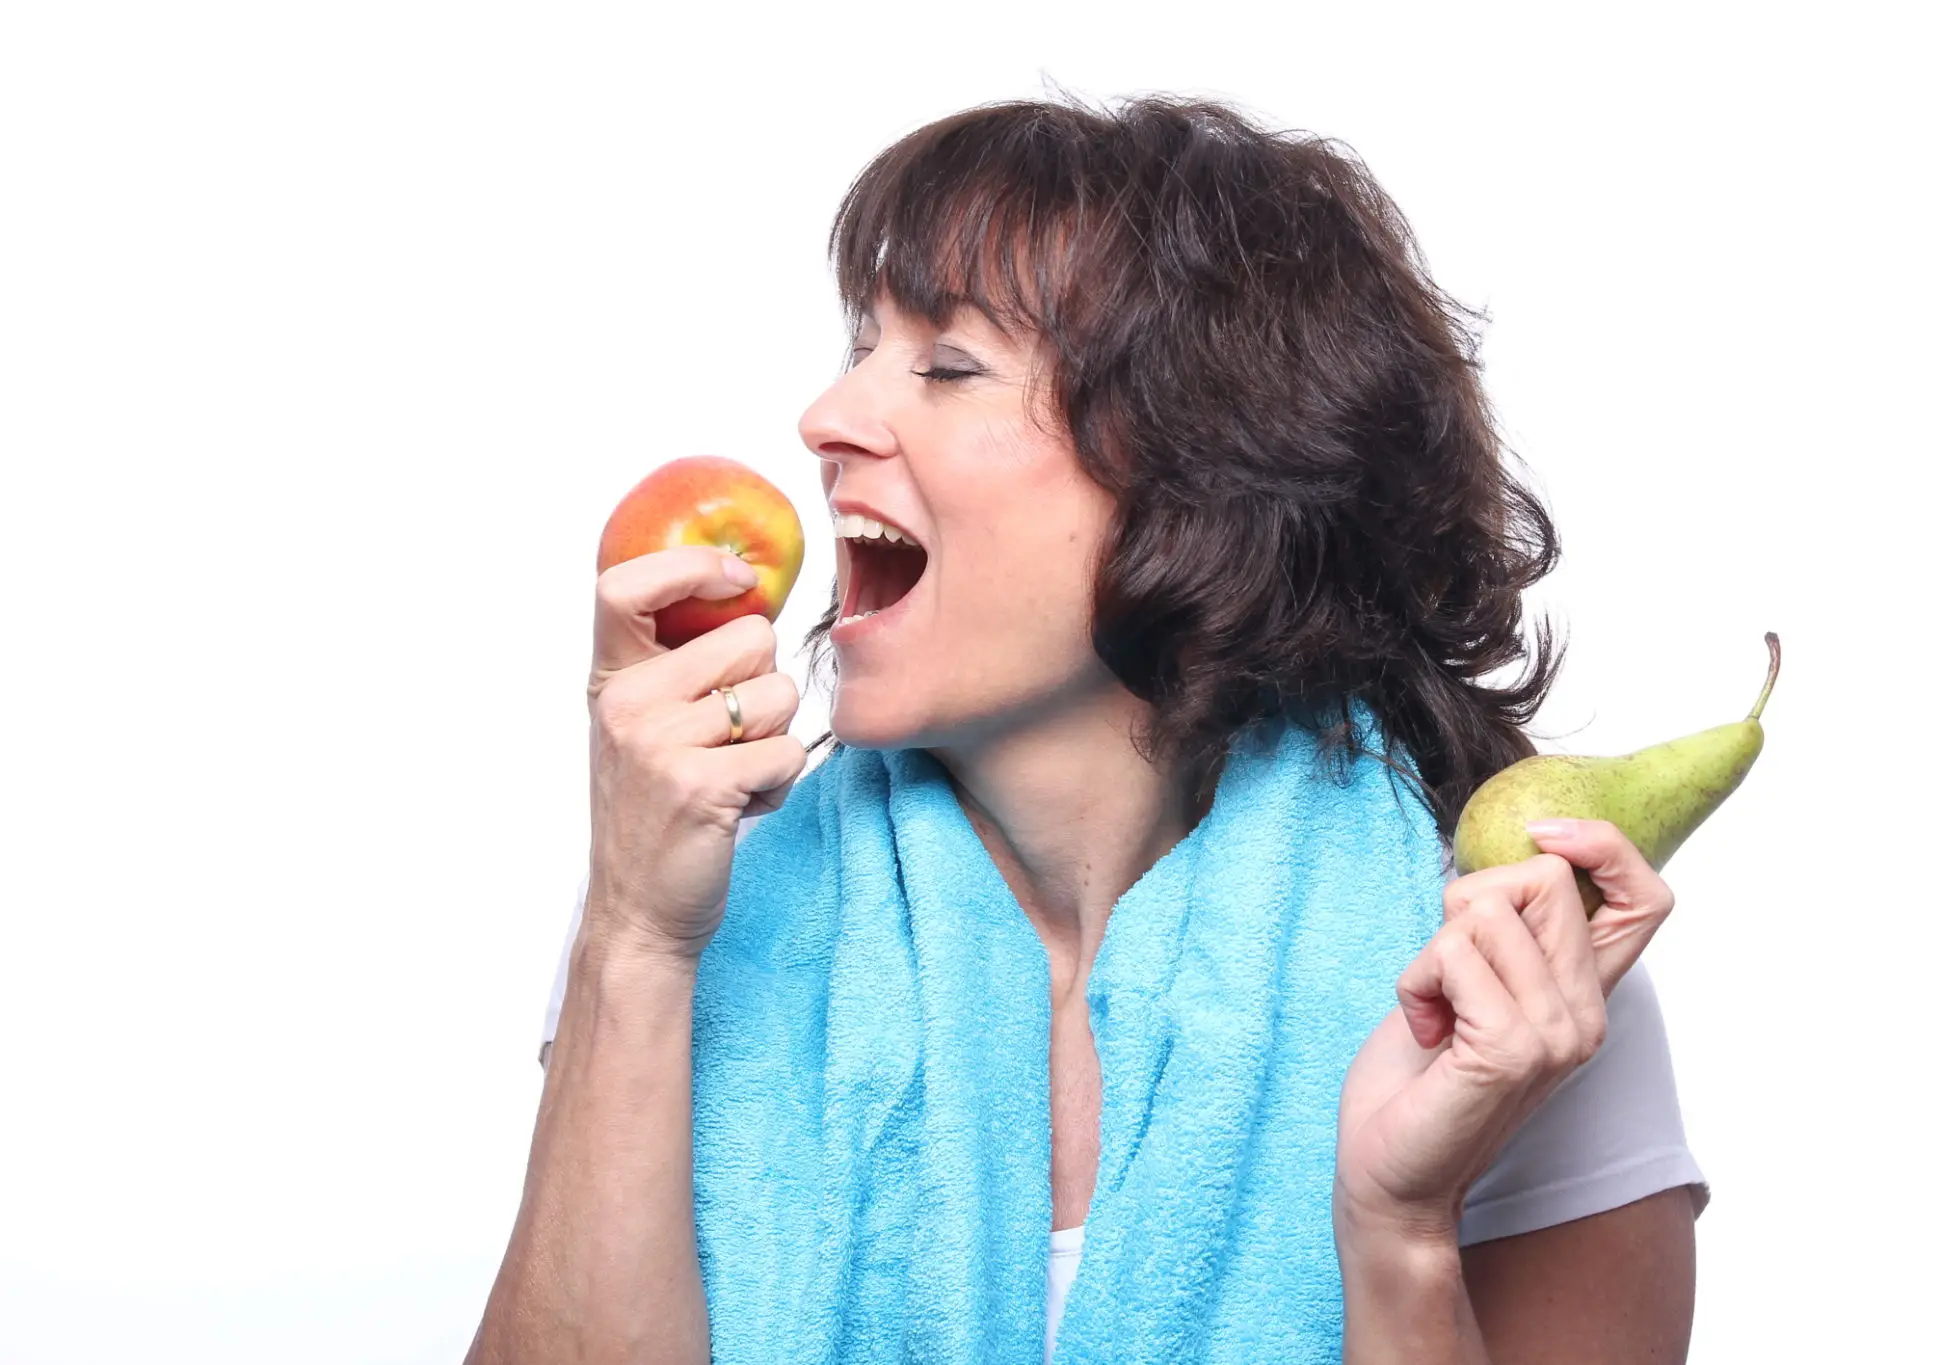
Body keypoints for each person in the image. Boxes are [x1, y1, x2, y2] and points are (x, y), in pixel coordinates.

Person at [468, 95, 1706, 1365]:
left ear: (1203, 478)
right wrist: (628, 937)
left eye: (946, 366)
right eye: (857, 348)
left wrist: (1398, 1230)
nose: (823, 417)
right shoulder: (690, 910)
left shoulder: (1501, 983)